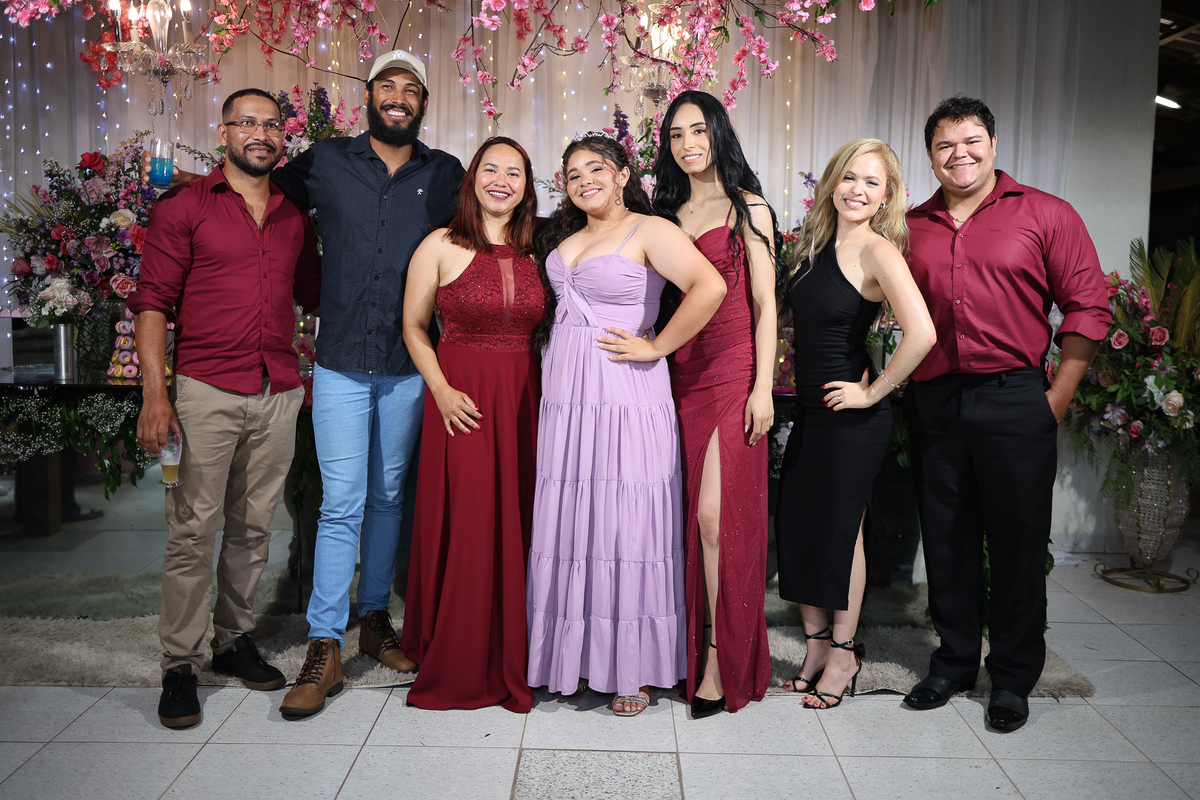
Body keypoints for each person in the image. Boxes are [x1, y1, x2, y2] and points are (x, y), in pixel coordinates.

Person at [149, 57, 464, 716]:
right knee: (341, 503)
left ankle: (372, 620)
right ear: (369, 96)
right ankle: (324, 641)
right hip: (339, 363)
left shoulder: (444, 174)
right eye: (387, 87)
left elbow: (477, 239)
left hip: (407, 362)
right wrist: (191, 183)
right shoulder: (325, 162)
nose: (398, 98)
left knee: (386, 499)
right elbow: (248, 179)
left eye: (411, 89)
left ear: (424, 102)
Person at [901, 96, 1111, 732]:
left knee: (1017, 543)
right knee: (946, 538)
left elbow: (1089, 306)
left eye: (971, 141)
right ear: (930, 155)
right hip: (936, 399)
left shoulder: (1046, 213)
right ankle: (954, 662)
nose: (959, 154)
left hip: (1015, 397)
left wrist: (1056, 399)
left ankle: (1014, 676)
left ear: (993, 145)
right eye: (944, 145)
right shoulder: (911, 226)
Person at [130, 88, 321, 729]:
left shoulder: (295, 216)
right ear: (224, 132)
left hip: (277, 389)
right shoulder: (184, 206)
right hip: (205, 390)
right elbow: (152, 302)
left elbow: (317, 294)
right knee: (192, 531)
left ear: (282, 137)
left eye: (271, 125)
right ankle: (179, 665)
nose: (260, 134)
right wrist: (155, 395)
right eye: (247, 123)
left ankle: (233, 639)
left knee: (253, 527)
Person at [525, 134, 727, 717]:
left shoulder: (651, 230)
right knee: (573, 517)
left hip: (625, 392)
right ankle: (568, 659)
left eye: (596, 168)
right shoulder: (564, 239)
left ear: (622, 174)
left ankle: (630, 668)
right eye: (572, 174)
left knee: (623, 519)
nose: (583, 180)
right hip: (568, 398)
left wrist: (657, 346)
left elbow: (710, 287)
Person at [776, 138, 936, 710]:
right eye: (849, 177)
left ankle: (844, 654)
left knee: (843, 533)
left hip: (851, 419)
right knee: (800, 525)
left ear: (886, 196)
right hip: (810, 413)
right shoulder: (812, 246)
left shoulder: (878, 251)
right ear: (832, 182)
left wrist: (872, 391)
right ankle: (817, 646)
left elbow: (922, 334)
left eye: (872, 182)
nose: (857, 190)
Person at [398, 137, 544, 712]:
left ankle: (522, 645)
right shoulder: (439, 244)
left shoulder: (540, 249)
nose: (501, 180)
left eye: (515, 172)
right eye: (491, 169)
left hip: (527, 400)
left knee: (525, 518)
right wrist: (440, 390)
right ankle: (461, 649)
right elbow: (414, 327)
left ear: (527, 185)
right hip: (462, 400)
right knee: (471, 521)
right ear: (472, 178)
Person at [650, 91, 777, 719]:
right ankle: (686, 646)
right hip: (679, 375)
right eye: (676, 135)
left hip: (734, 373)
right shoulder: (663, 212)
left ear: (718, 133)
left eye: (698, 130)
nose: (687, 144)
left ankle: (720, 659)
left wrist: (762, 387)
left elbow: (766, 305)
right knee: (682, 520)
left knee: (713, 518)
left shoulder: (748, 206)